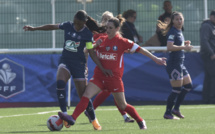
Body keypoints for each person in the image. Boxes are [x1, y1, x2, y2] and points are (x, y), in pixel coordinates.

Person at [58, 16, 166, 130]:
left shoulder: (122, 42)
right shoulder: (100, 38)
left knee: (123, 105)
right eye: (106, 27)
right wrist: (95, 45)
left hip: (113, 79)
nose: (107, 30)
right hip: (99, 76)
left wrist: (156, 59)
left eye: (110, 27)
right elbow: (86, 49)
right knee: (86, 96)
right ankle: (72, 118)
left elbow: (140, 49)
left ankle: (140, 120)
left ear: (117, 29)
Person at [23, 10, 112, 130]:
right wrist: (34, 28)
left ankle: (94, 120)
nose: (76, 25)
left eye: (79, 23)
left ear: (84, 22)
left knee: (84, 97)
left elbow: (91, 52)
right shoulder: (68, 25)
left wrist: (102, 68)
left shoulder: (87, 34)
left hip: (79, 65)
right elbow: (52, 26)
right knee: (60, 83)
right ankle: (64, 113)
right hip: (65, 61)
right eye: (75, 22)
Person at [84, 11, 135, 123]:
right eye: (105, 19)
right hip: (103, 69)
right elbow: (89, 49)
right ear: (102, 21)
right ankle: (125, 117)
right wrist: (86, 64)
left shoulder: (114, 34)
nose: (107, 22)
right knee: (111, 91)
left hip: (114, 69)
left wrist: (127, 50)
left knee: (115, 93)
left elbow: (118, 46)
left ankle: (125, 116)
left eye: (110, 19)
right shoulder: (98, 35)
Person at [157, 11, 193, 119]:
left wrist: (184, 44)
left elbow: (176, 45)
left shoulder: (179, 31)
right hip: (174, 64)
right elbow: (169, 47)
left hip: (180, 64)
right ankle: (167, 113)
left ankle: (176, 109)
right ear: (172, 21)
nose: (179, 21)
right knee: (176, 89)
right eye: (177, 19)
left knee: (188, 86)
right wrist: (184, 47)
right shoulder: (173, 32)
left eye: (181, 19)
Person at [200, 10, 215, 104]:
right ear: (211, 16)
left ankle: (207, 98)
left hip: (211, 55)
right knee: (212, 77)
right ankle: (211, 98)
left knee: (209, 77)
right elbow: (204, 41)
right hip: (209, 56)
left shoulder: (211, 26)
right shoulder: (207, 26)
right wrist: (211, 53)